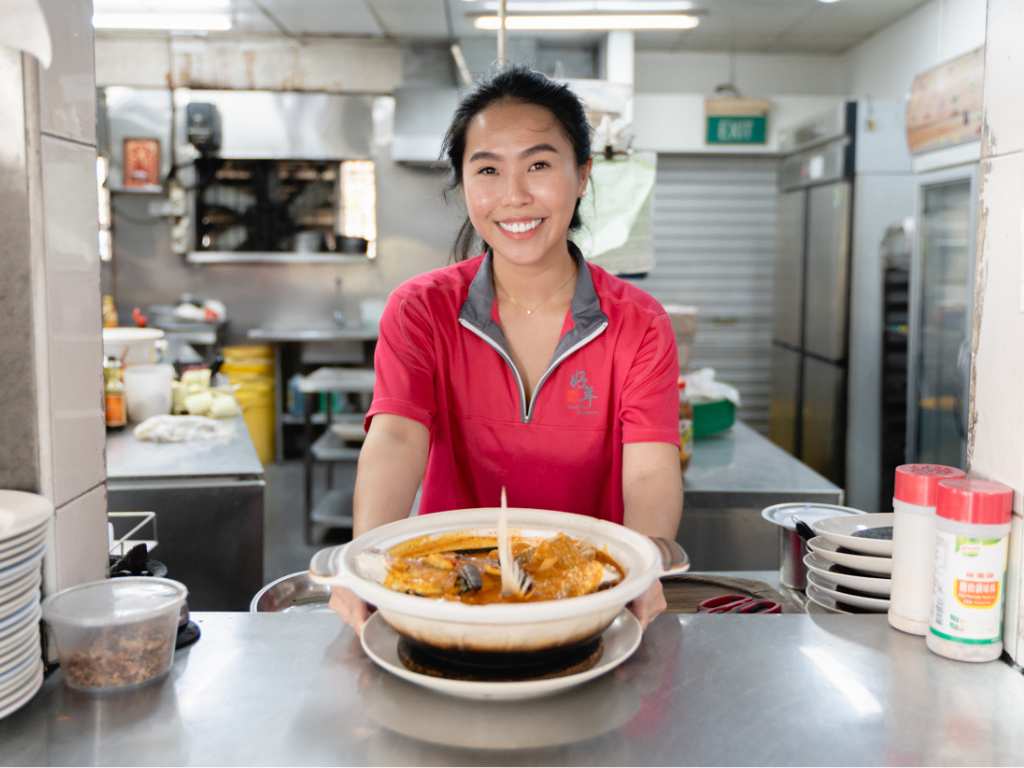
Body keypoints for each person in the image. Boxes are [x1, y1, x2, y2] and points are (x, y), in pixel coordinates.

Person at [331, 65, 682, 633]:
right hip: (447, 596)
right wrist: (365, 562)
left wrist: (643, 568)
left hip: (588, 596)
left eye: (539, 165)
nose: (514, 196)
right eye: (488, 169)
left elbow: (649, 472)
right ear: (464, 183)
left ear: (583, 175)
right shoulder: (420, 309)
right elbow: (395, 437)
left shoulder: (638, 323)